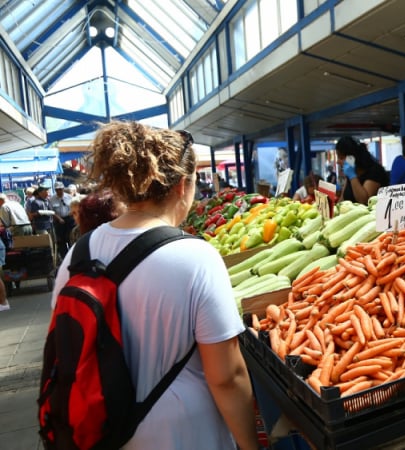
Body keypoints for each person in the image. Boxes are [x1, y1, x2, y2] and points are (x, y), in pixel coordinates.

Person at [51, 121, 259, 450]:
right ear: (182, 186)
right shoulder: (195, 257)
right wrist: (251, 445)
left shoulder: (77, 255)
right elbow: (227, 377)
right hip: (185, 436)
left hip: (101, 432)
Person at [336, 135, 389, 205]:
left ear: (352, 158)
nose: (337, 161)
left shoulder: (374, 171)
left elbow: (364, 201)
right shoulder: (350, 173)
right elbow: (342, 199)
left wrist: (353, 177)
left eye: (341, 158)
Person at [51, 181, 75, 259]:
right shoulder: (52, 199)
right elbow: (52, 211)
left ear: (63, 189)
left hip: (69, 219)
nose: (59, 191)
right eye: (57, 190)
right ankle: (64, 257)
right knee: (61, 240)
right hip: (59, 221)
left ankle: (72, 256)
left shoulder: (69, 197)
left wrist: (70, 215)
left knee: (70, 238)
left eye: (60, 189)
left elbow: (73, 208)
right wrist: (59, 218)